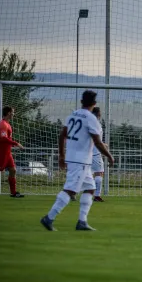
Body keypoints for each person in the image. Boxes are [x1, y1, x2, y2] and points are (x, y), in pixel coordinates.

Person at [40, 90, 114, 231]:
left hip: (77, 159)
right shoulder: (92, 119)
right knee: (70, 190)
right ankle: (49, 217)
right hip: (80, 160)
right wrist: (109, 156)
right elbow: (98, 143)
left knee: (90, 188)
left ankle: (82, 221)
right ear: (94, 103)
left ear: (81, 101)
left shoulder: (72, 115)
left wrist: (61, 156)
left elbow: (62, 136)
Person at [91, 107, 107, 202]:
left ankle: (72, 192)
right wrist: (104, 146)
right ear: (99, 114)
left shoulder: (86, 123)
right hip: (95, 154)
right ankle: (97, 195)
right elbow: (97, 141)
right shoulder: (97, 125)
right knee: (99, 173)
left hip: (85, 154)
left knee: (83, 175)